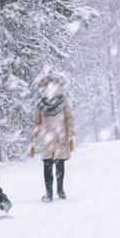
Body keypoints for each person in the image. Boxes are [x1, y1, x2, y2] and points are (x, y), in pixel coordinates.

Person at [30, 74, 75, 202]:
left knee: (59, 165)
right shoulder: (40, 104)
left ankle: (60, 191)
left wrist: (72, 131)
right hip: (46, 138)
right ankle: (49, 193)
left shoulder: (63, 101)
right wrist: (32, 137)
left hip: (60, 137)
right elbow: (36, 122)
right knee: (47, 166)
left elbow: (68, 117)